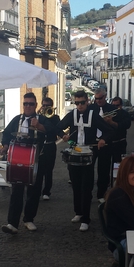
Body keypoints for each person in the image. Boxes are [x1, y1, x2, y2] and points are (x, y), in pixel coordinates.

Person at [57, 90, 113, 232]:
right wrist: (64, 136)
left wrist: (103, 140)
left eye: (82, 102)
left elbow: (108, 130)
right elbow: (58, 128)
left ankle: (86, 219)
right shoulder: (72, 115)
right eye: (77, 103)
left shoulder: (94, 116)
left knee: (86, 186)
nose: (80, 105)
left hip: (89, 153)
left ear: (87, 101)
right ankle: (78, 212)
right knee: (75, 184)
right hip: (74, 152)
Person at [0, 92, 54, 234]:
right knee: (16, 192)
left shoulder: (42, 119)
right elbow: (6, 134)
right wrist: (5, 146)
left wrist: (40, 126)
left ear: (36, 105)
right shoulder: (17, 120)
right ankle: (12, 223)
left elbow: (53, 131)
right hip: (17, 160)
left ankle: (29, 219)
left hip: (36, 160)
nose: (28, 106)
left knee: (34, 192)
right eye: (25, 103)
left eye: (30, 104)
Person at [88, 88, 117, 203]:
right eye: (96, 98)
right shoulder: (91, 109)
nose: (98, 101)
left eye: (100, 98)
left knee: (103, 170)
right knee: (89, 169)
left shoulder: (112, 109)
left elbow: (118, 127)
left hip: (106, 143)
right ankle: (87, 193)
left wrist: (111, 122)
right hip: (92, 143)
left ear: (105, 97)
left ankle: (101, 194)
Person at [37, 97, 59, 201]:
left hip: (50, 145)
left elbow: (55, 129)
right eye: (44, 105)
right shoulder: (38, 117)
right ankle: (37, 190)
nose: (45, 107)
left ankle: (47, 192)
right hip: (40, 146)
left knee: (49, 170)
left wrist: (48, 118)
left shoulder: (55, 118)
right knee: (39, 170)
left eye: (48, 106)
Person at [108, 96, 132, 165]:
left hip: (120, 143)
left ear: (121, 106)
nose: (115, 107)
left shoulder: (125, 114)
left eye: (117, 105)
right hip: (109, 143)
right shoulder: (109, 114)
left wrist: (112, 123)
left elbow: (126, 125)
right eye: (113, 105)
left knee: (119, 165)